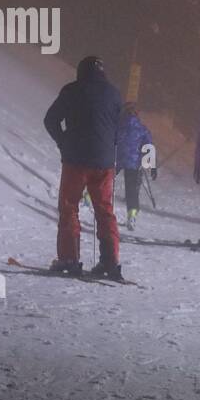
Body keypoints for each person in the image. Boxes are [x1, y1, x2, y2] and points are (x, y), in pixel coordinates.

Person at [43, 55, 123, 279]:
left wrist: (63, 142)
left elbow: (50, 120)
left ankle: (69, 259)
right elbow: (119, 128)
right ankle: (110, 261)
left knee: (69, 207)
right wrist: (109, 147)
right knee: (105, 210)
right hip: (105, 163)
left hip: (75, 160)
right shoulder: (114, 94)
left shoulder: (72, 91)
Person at [115, 102, 154, 232]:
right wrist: (151, 165)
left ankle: (88, 196)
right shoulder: (142, 129)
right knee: (132, 190)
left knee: (104, 179)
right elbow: (148, 146)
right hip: (134, 162)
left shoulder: (118, 125)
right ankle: (132, 214)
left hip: (117, 158)